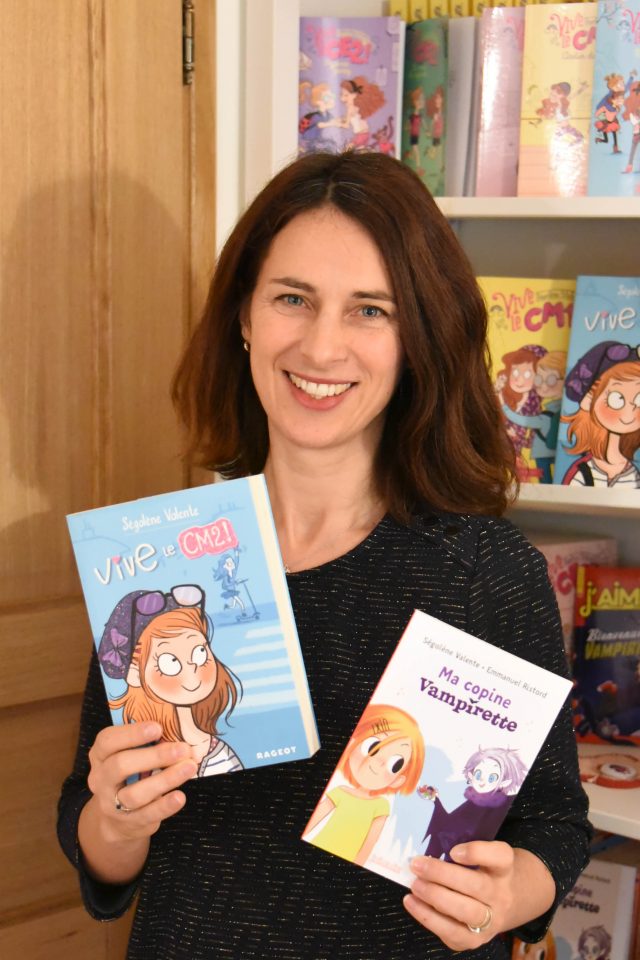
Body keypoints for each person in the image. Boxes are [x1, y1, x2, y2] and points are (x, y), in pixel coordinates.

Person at [57, 151, 591, 960]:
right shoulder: (163, 561)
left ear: (416, 339)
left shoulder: (484, 570)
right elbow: (97, 843)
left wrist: (511, 890)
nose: (321, 345)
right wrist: (115, 820)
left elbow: (553, 825)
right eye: (293, 299)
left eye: (370, 310)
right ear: (244, 315)